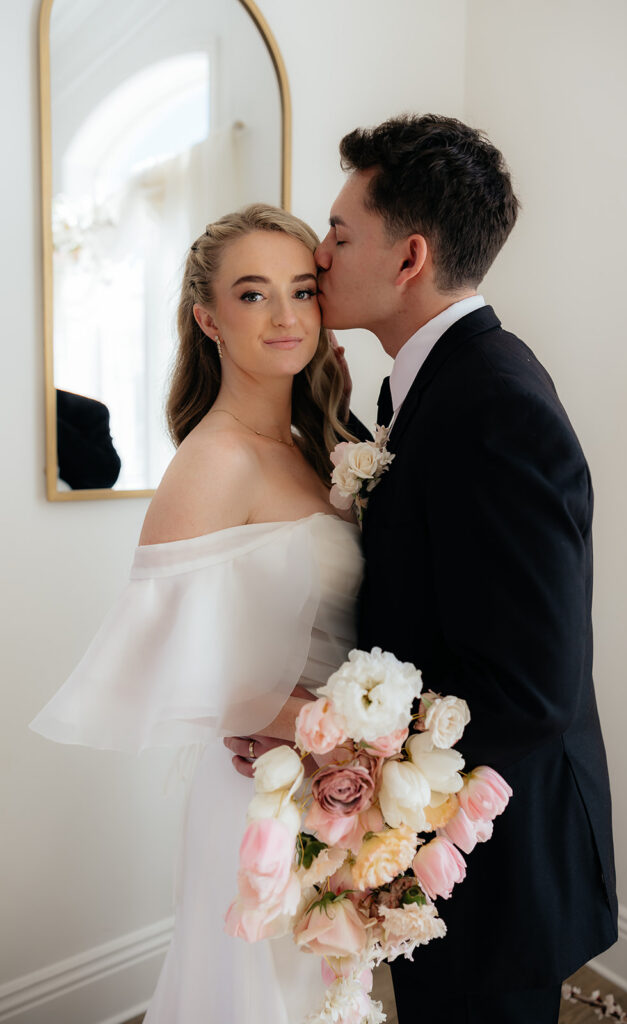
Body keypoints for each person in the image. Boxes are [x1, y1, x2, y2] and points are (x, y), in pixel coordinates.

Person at [237, 114, 619, 1023]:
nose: (319, 256)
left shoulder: (494, 405)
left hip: (502, 858)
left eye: (337, 234)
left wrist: (328, 740)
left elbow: (528, 688)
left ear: (407, 258)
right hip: (442, 838)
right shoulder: (429, 383)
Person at [30, 204, 363, 1023]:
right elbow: (164, 670)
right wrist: (342, 731)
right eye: (253, 296)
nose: (286, 316)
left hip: (331, 784)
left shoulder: (312, 444)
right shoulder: (214, 459)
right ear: (207, 317)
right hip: (263, 791)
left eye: (300, 291)